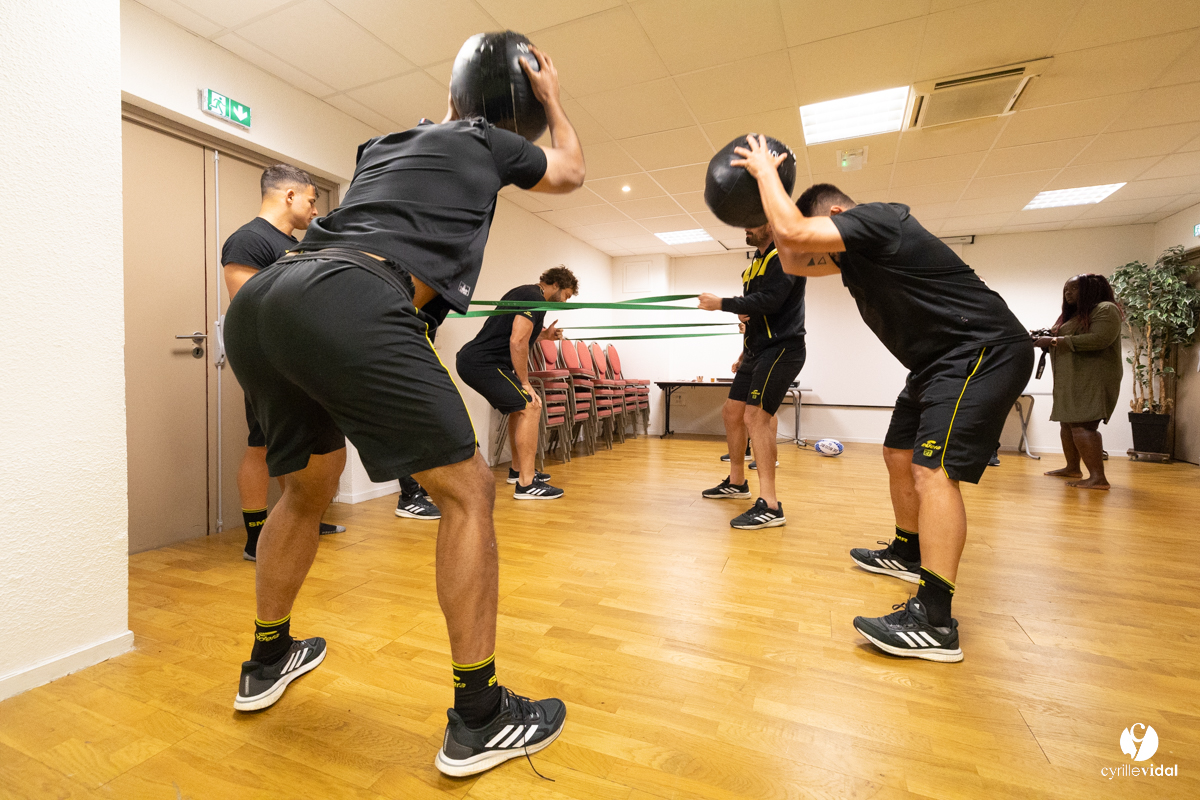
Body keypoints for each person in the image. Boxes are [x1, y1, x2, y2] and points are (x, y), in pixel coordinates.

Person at [222, 44, 585, 777]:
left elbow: (438, 140)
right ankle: (479, 716)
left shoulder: (384, 144)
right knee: (470, 490)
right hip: (352, 296)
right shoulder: (489, 139)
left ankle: (267, 657)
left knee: (306, 484)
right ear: (507, 112)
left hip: (266, 301)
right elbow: (571, 171)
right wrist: (551, 98)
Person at [734, 135, 1034, 663]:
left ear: (838, 214)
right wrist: (779, 231)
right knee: (897, 454)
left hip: (979, 349)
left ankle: (936, 621)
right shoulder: (852, 259)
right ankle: (907, 550)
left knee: (933, 470)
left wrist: (766, 178)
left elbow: (798, 233)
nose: (822, 250)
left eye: (827, 234)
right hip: (934, 363)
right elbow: (798, 259)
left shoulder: (878, 218)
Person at [220, 164, 346, 561]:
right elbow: (249, 310)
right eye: (311, 200)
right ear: (289, 195)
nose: (314, 210)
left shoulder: (298, 245)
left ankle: (299, 517)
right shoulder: (248, 240)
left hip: (304, 361)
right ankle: (256, 538)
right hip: (269, 364)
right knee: (261, 446)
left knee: (299, 448)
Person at [698, 223, 806, 529]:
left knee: (756, 417)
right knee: (732, 412)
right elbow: (755, 312)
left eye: (753, 222)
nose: (746, 227)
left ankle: (770, 505)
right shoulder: (754, 265)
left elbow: (772, 301)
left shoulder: (785, 256)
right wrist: (744, 342)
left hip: (782, 348)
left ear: (770, 226)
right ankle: (736, 482)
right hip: (755, 351)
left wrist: (723, 304)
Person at [456, 267, 577, 499]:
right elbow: (518, 340)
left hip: (482, 362)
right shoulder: (532, 296)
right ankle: (526, 484)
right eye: (567, 295)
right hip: (483, 363)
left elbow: (515, 332)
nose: (565, 302)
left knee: (518, 409)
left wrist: (544, 336)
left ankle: (518, 470)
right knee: (531, 405)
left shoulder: (531, 296)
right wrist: (525, 382)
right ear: (556, 285)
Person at [1036, 274, 1123, 490]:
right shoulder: (1073, 315)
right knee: (1068, 423)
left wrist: (1055, 340)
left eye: (1074, 288)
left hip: (1092, 377)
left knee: (1083, 425)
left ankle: (1098, 478)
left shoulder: (1105, 309)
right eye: (1066, 288)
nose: (1068, 293)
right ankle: (1072, 467)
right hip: (1071, 377)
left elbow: (1100, 339)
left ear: (1091, 290)